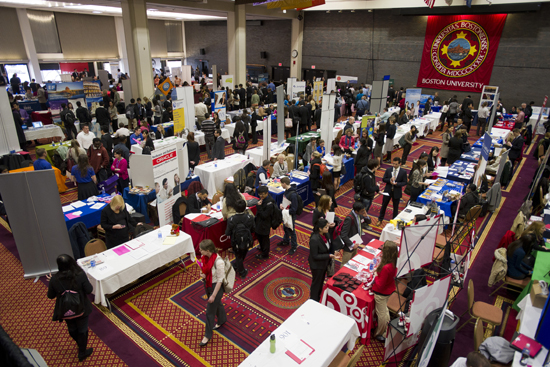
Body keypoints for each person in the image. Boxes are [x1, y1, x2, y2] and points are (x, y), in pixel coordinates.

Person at [46, 254, 94, 361]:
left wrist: (52, 283)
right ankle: (82, 351)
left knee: (72, 328)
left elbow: (50, 296)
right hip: (82, 307)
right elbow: (89, 290)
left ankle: (80, 344)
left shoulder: (54, 279)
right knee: (82, 329)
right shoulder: (80, 275)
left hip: (66, 309)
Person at [197, 239, 227, 347]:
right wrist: (203, 274)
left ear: (208, 250)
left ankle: (207, 336)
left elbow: (220, 280)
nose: (199, 251)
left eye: (201, 249)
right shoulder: (205, 257)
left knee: (209, 312)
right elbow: (205, 269)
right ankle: (222, 319)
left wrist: (213, 295)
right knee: (217, 304)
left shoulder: (219, 262)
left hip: (216, 288)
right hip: (208, 284)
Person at [369, 240, 399, 343]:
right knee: (385, 311)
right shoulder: (394, 261)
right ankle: (386, 329)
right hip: (389, 290)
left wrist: (376, 276)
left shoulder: (386, 267)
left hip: (382, 293)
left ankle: (380, 333)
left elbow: (380, 285)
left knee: (381, 313)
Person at [308, 218, 337, 302]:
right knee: (316, 283)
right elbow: (315, 256)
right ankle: (313, 300)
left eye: (327, 226)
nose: (328, 228)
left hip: (324, 264)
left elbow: (330, 245)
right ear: (320, 229)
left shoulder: (326, 234)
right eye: (326, 227)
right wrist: (329, 256)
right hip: (317, 266)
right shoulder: (314, 239)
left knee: (320, 282)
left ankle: (317, 297)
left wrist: (333, 251)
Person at [226, 199, 255, 278]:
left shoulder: (231, 219)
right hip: (247, 240)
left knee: (238, 256)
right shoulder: (250, 217)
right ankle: (241, 271)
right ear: (245, 207)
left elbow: (227, 233)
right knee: (242, 254)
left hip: (235, 242)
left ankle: (238, 268)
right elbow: (253, 229)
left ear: (235, 208)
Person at [378, 157, 408, 222]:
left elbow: (405, 182)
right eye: (393, 164)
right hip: (388, 191)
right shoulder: (388, 170)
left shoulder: (403, 172)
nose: (394, 165)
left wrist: (397, 184)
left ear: (399, 164)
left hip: (396, 192)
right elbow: (384, 179)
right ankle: (380, 219)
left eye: (396, 164)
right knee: (384, 205)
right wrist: (389, 180)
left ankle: (394, 220)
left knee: (395, 207)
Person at [255, 186, 276, 259]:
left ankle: (265, 254)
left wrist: (259, 207)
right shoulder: (263, 199)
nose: (261, 196)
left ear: (267, 193)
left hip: (265, 224)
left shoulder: (270, 203)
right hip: (260, 222)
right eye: (259, 194)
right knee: (259, 236)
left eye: (263, 194)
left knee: (265, 239)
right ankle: (262, 248)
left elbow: (264, 215)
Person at [279, 177, 299, 255]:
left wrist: (285, 210)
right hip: (286, 213)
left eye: (281, 183)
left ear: (284, 183)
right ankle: (286, 241)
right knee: (285, 227)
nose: (281, 185)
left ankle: (294, 246)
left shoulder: (293, 195)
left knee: (291, 230)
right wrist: (282, 205)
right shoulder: (287, 191)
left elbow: (294, 209)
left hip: (290, 215)